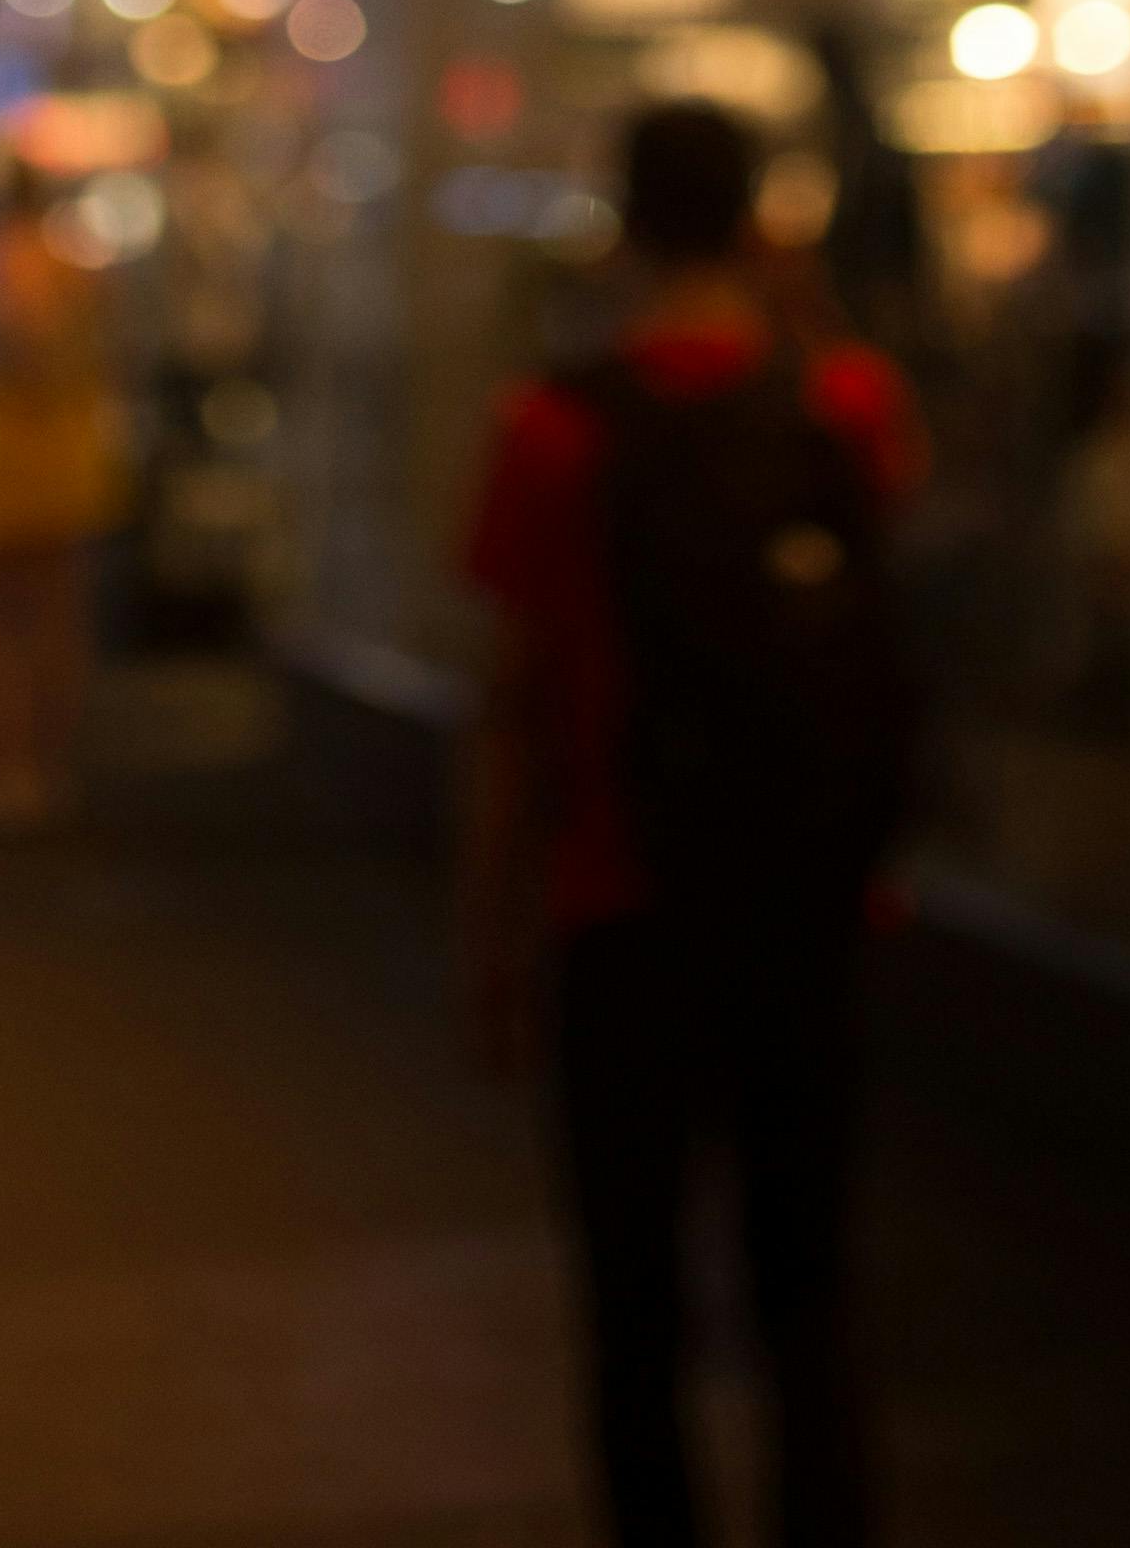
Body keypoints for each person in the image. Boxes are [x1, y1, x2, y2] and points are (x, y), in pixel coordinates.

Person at [464, 95, 923, 1548]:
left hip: (621, 906)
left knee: (634, 1305)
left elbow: (513, 710)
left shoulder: (548, 429)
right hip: (809, 906)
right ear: (758, 218)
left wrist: (488, 935)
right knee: (809, 1292)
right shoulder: (846, 403)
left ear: (616, 223)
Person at [0, 152, 124, 826]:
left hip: (22, 448)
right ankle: (47, 767)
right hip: (72, 447)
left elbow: (28, 343)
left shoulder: (10, 259)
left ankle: (8, 770)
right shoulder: (74, 262)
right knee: (57, 608)